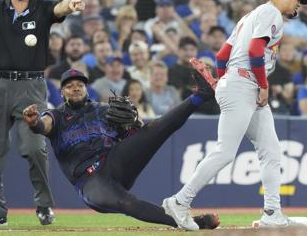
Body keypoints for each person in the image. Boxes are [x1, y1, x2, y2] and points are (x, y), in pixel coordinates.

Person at [162, 0, 307, 230]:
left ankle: (272, 213)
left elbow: (221, 55)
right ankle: (180, 201)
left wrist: (224, 81)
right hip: (246, 84)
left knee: (271, 150)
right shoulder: (271, 14)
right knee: (225, 152)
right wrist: (261, 86)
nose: (300, 3)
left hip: (241, 83)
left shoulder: (250, 16)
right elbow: (254, 51)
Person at [22, 68, 219, 230]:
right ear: (62, 91)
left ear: (86, 89)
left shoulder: (104, 110)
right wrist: (34, 123)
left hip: (115, 162)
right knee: (128, 203)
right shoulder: (56, 116)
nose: (75, 88)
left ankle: (200, 96)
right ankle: (192, 222)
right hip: (90, 181)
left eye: (80, 85)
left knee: (156, 128)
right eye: (70, 86)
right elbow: (43, 125)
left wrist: (135, 122)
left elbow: (137, 133)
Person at [0, 0, 85, 226]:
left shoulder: (41, 8)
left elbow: (58, 9)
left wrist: (69, 5)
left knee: (36, 149)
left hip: (31, 86)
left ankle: (44, 206)